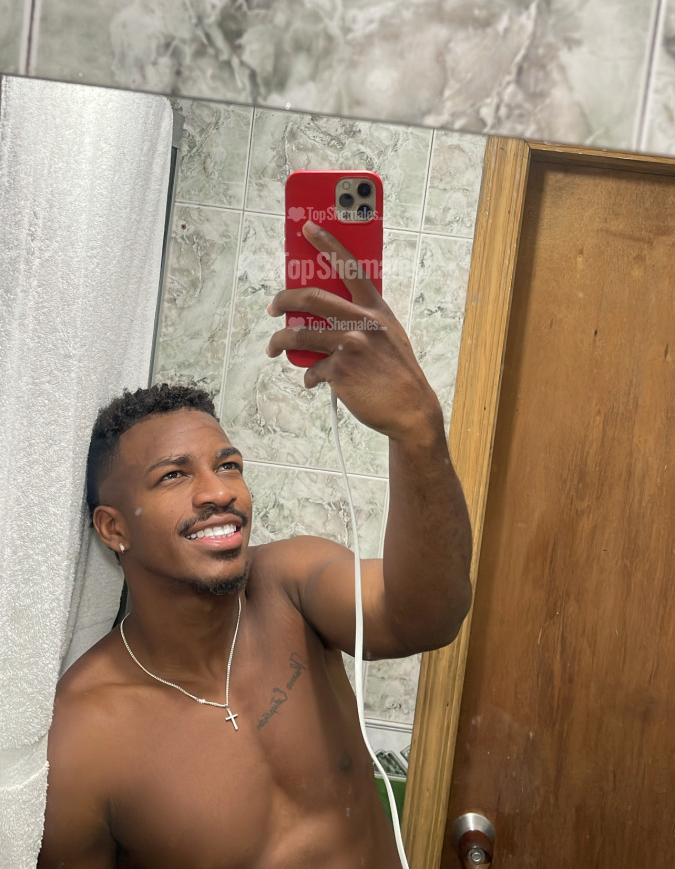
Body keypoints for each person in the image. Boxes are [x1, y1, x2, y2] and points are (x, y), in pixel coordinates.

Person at [38, 222, 473, 869]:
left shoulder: (290, 585)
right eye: (174, 475)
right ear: (113, 528)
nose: (220, 491)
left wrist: (417, 429)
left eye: (229, 465)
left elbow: (430, 617)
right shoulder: (86, 735)